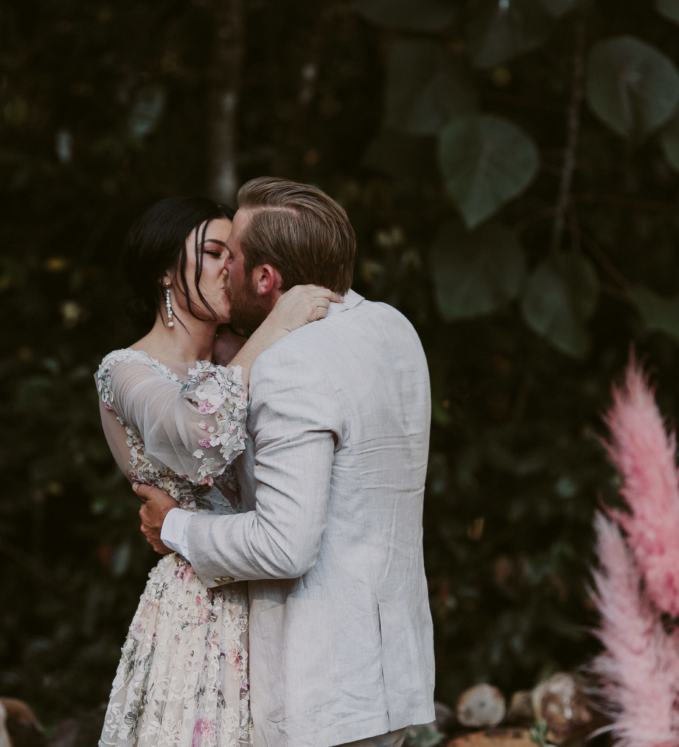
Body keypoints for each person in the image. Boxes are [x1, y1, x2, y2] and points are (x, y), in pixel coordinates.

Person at [136, 178, 436, 747]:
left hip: (322, 689)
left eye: (232, 259)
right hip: (395, 676)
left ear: (265, 279)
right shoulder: (393, 328)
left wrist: (173, 525)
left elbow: (284, 545)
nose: (223, 271)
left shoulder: (290, 364)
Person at [95, 195, 340, 747]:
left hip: (280, 591)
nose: (230, 267)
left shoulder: (243, 357)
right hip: (201, 607)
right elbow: (199, 437)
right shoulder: (126, 370)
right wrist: (273, 329)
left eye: (235, 254)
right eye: (212, 252)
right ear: (164, 270)